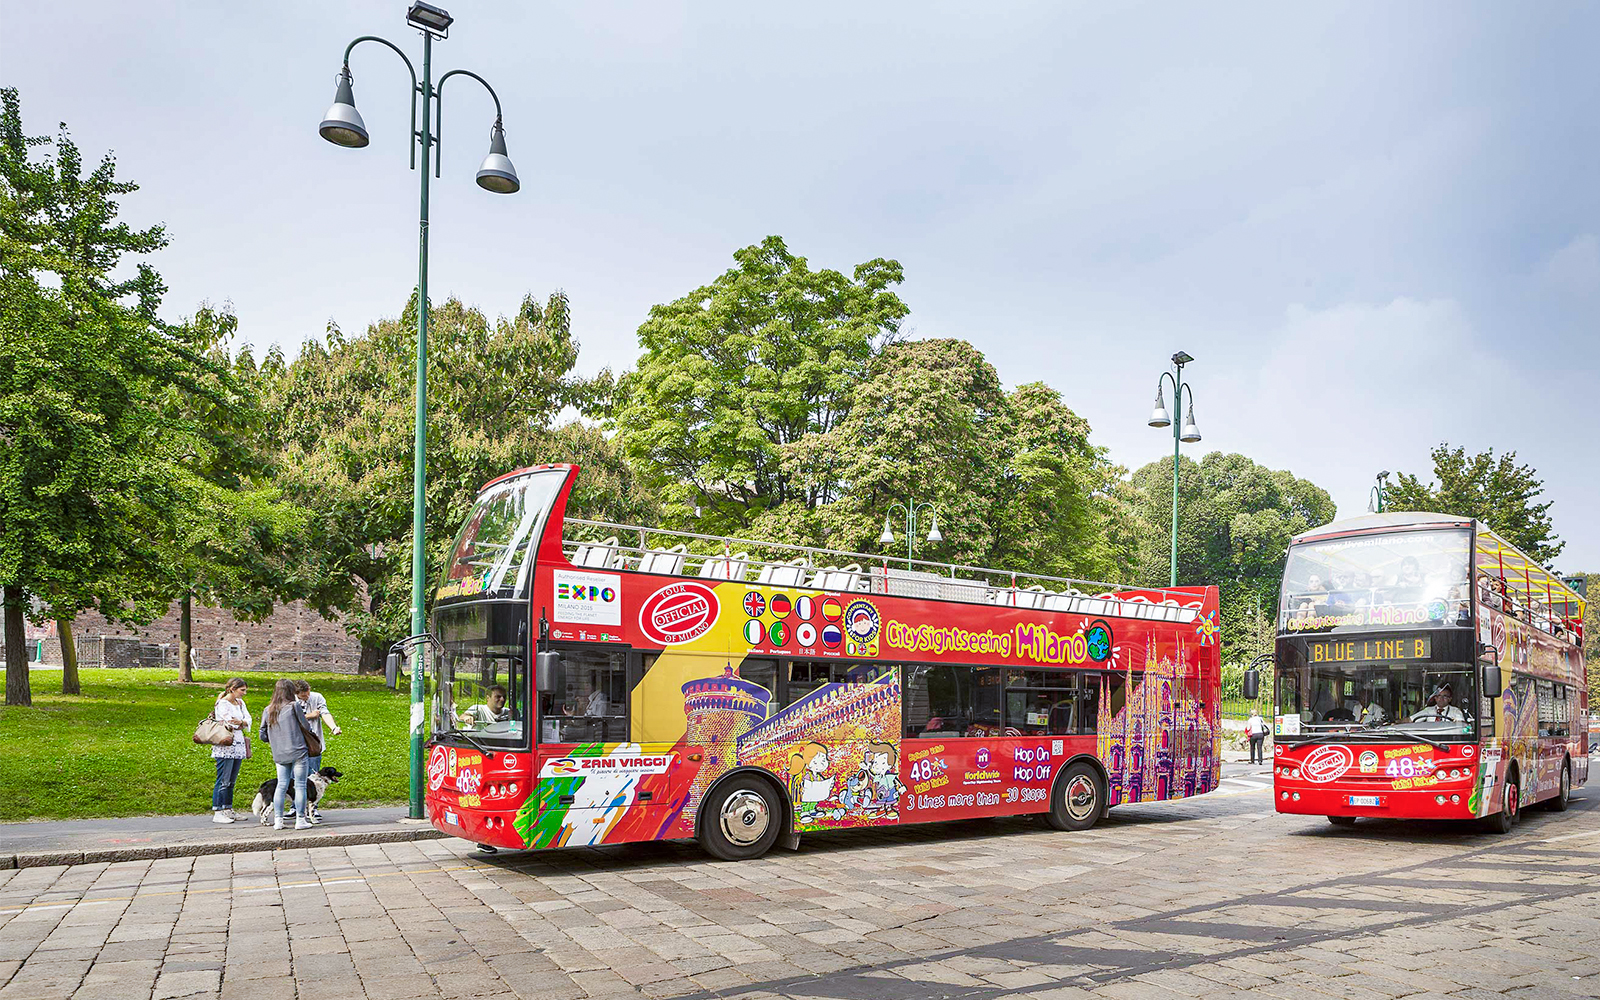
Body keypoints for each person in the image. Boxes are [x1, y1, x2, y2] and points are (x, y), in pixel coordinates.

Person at [260, 678, 314, 831]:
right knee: (300, 785)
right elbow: (306, 726)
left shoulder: (268, 710)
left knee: (281, 785)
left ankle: (278, 821)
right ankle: (300, 820)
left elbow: (262, 735)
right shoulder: (294, 706)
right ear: (291, 691)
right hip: (298, 751)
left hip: (279, 753)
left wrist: (275, 738)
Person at [293, 680, 340, 823]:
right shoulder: (290, 700)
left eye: (307, 693)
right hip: (296, 744)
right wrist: (309, 715)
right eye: (303, 696)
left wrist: (333, 727)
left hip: (314, 744)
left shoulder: (317, 697)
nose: (307, 697)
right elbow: (289, 718)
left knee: (313, 777)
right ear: (296, 694)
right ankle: (295, 807)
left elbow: (325, 713)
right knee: (295, 778)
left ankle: (313, 808)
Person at [210, 678, 251, 824]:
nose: (244, 693)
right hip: (225, 745)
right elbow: (229, 722)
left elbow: (248, 719)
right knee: (223, 779)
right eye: (242, 690)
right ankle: (218, 811)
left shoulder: (240, 703)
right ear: (233, 689)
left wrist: (242, 723)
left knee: (231, 780)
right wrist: (240, 723)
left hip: (238, 744)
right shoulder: (222, 704)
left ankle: (227, 808)